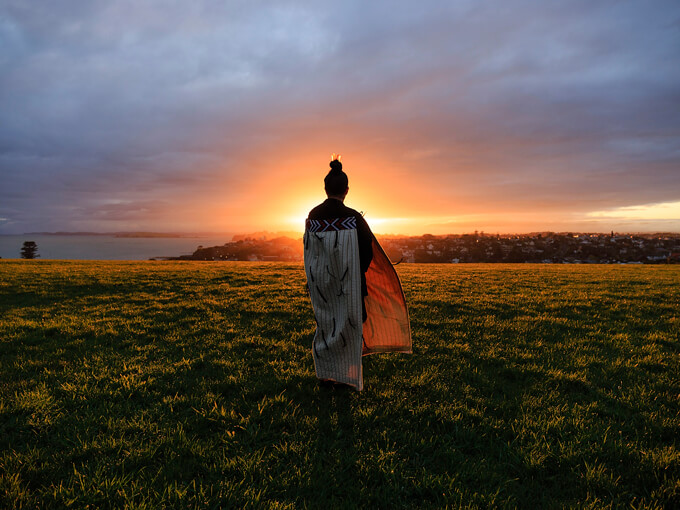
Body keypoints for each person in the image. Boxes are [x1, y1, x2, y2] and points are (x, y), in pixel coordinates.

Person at [303, 155, 412, 391]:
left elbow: (310, 251)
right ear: (346, 190)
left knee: (326, 327)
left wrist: (317, 277)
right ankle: (346, 379)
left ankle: (326, 377)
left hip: (322, 284)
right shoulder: (354, 218)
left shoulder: (313, 216)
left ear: (325, 188)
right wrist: (353, 273)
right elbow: (367, 252)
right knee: (350, 329)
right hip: (350, 284)